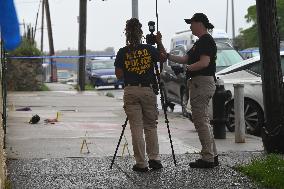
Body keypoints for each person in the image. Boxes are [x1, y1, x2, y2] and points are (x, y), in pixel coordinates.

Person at [157, 13, 219, 168]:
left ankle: (208, 158)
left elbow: (204, 63)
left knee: (200, 121)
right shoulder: (200, 42)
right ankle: (212, 155)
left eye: (191, 23)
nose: (189, 26)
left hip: (202, 83)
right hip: (200, 83)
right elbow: (185, 58)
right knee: (203, 121)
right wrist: (169, 56)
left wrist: (186, 68)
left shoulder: (206, 41)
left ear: (199, 23)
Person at [114, 18, 164, 172]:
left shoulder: (123, 52)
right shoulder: (149, 49)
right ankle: (154, 158)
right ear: (141, 33)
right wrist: (159, 41)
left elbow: (119, 75)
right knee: (150, 125)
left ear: (127, 34)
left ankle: (141, 163)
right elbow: (163, 57)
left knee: (136, 127)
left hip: (131, 90)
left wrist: (131, 67)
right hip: (148, 90)